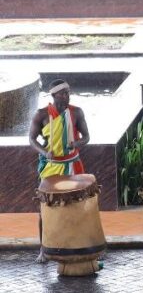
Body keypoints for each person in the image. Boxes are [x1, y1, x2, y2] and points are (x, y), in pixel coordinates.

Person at [28, 79, 90, 263]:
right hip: (51, 166)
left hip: (73, 163)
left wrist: (76, 143)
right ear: (53, 95)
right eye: (63, 93)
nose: (67, 95)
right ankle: (43, 248)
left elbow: (87, 137)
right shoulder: (41, 115)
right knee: (45, 207)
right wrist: (45, 152)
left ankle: (80, 244)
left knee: (78, 205)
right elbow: (32, 139)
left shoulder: (76, 112)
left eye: (68, 92)